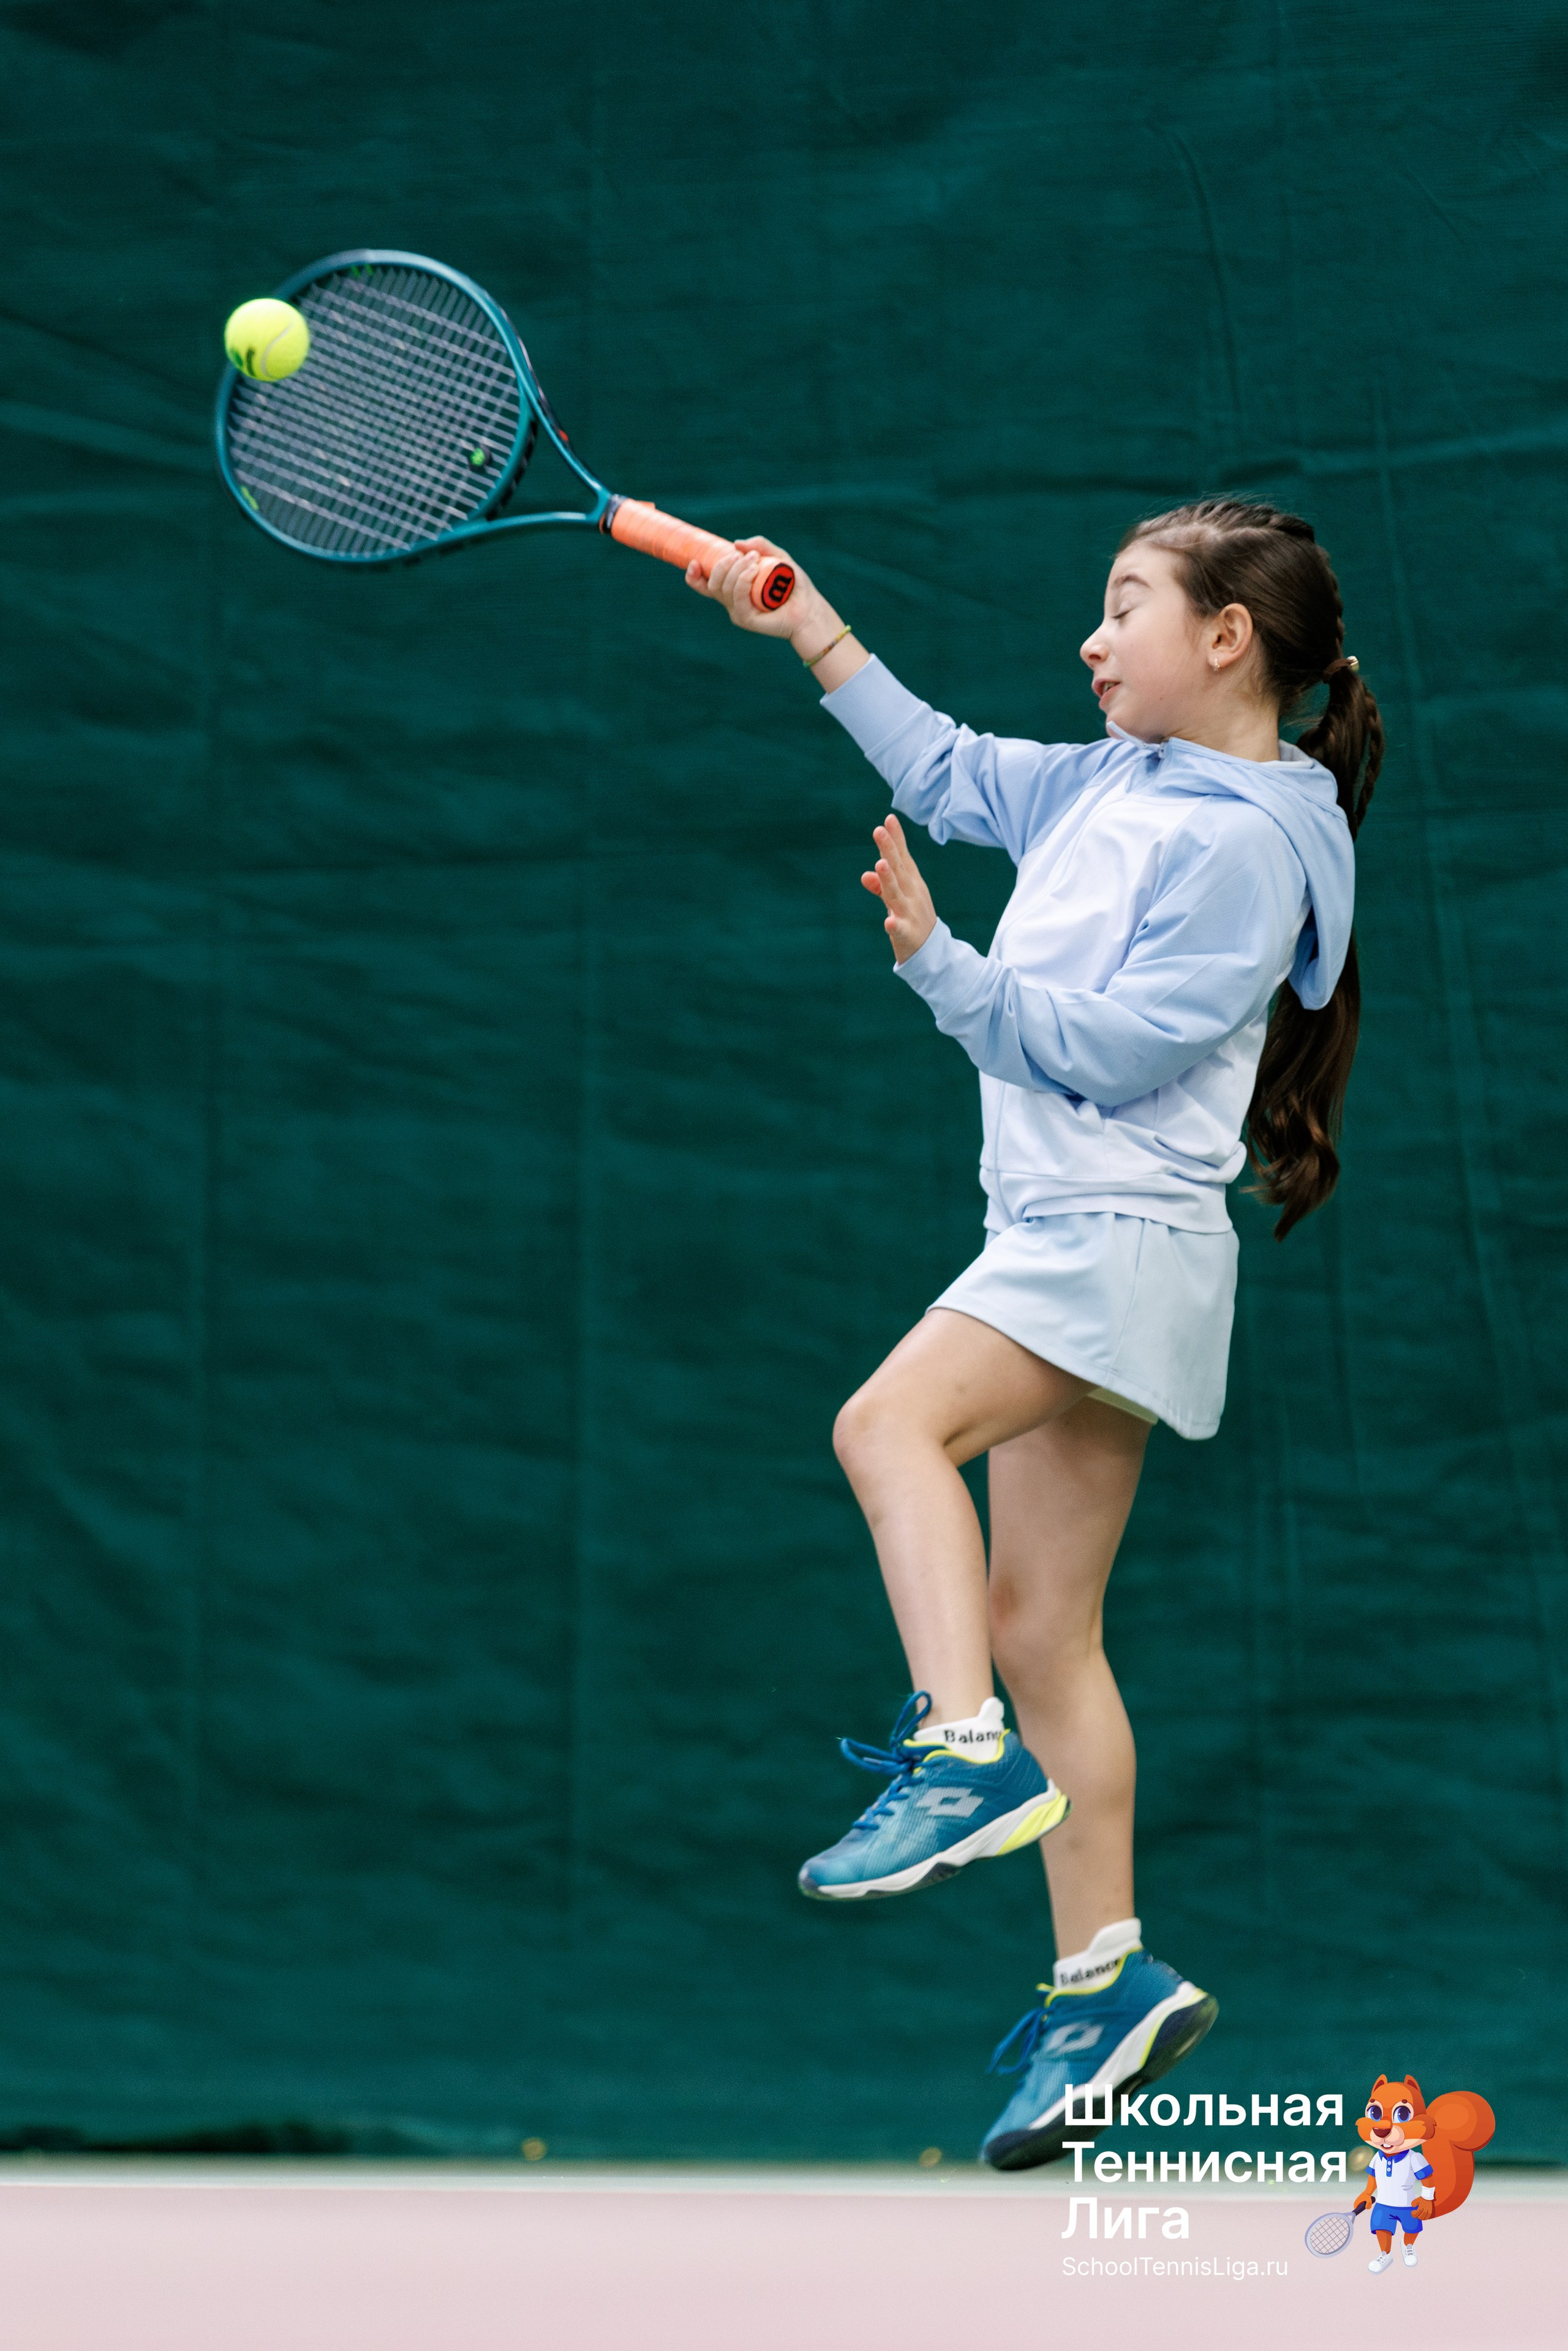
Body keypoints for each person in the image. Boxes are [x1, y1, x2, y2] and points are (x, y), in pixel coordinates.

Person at [689, 501, 1381, 2170]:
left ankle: (959, 1758)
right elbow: (943, 771)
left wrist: (946, 968)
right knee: (1041, 1627)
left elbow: (1125, 1049)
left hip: (1111, 1241)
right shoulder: (1109, 782)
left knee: (886, 1427)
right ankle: (1103, 1979)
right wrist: (808, 625)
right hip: (1077, 1239)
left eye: (1125, 606)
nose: (1093, 638)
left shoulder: (1249, 846)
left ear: (1227, 637)